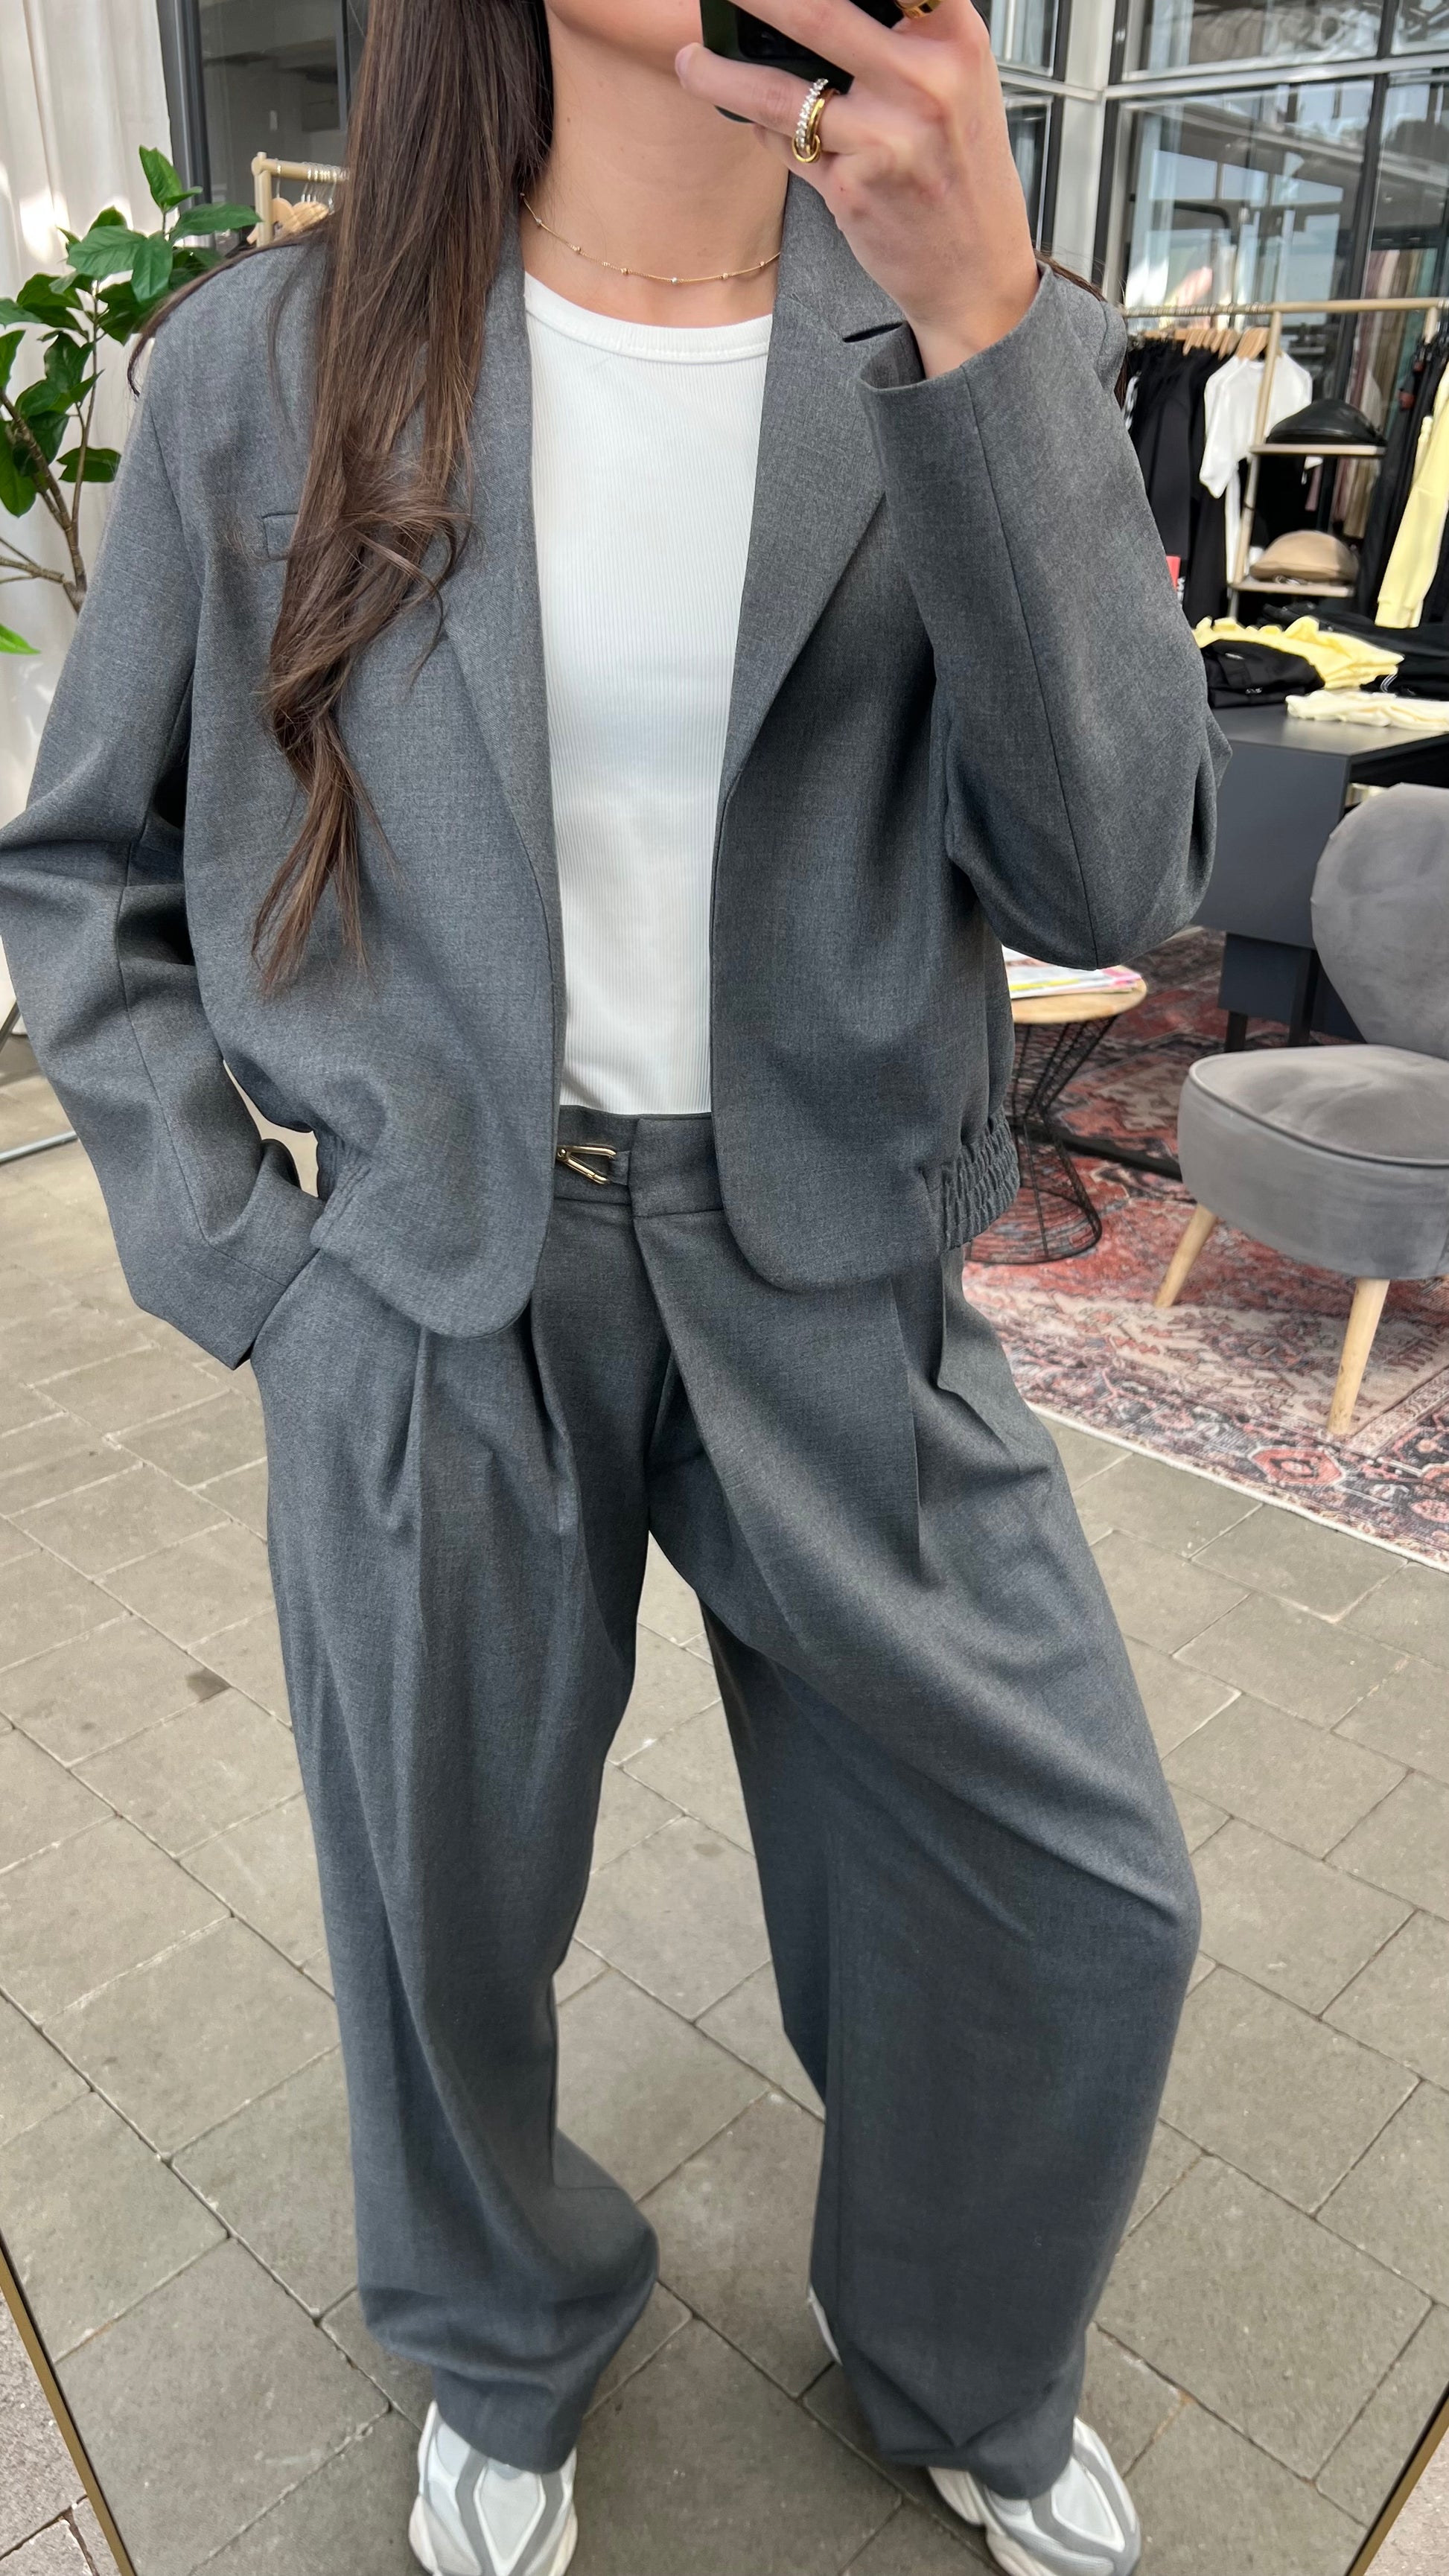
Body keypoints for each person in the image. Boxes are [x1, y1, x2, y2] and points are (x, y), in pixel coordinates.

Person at [0, 3, 1226, 2570]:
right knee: (436, 1896)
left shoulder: (983, 327)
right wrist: (254, 1266)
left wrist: (983, 325)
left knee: (1069, 1890)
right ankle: (501, 2333)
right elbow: (87, 866)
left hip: (836, 1260)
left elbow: (1115, 878)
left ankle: (962, 2353)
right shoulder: (275, 361)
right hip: (435, 1276)